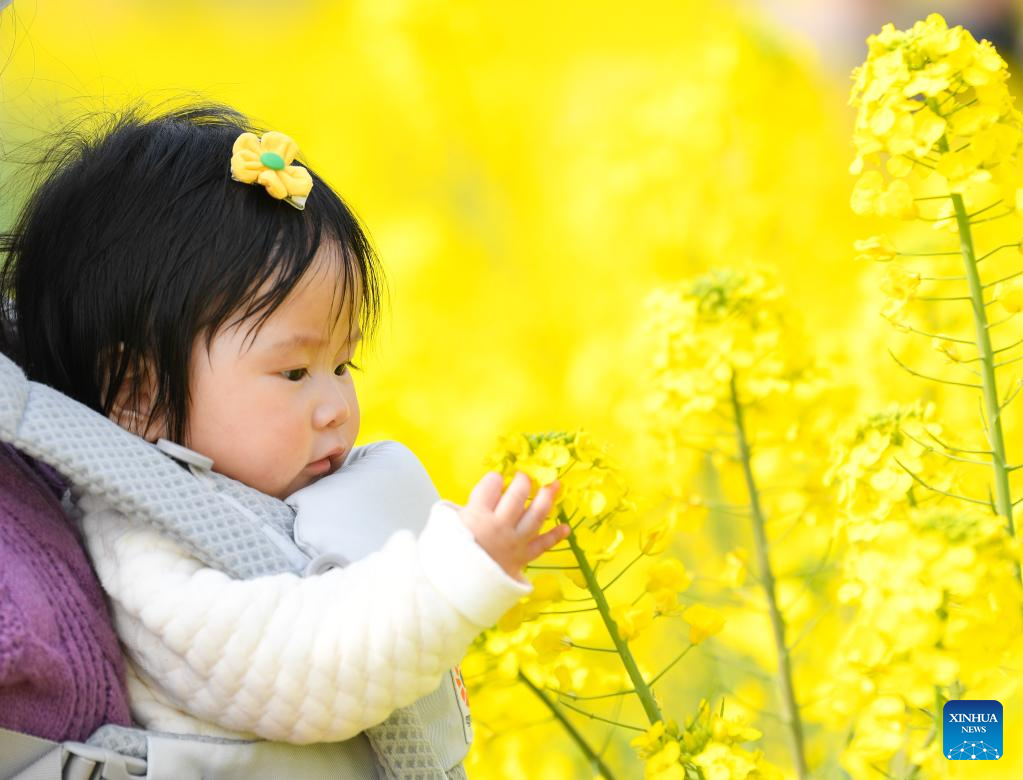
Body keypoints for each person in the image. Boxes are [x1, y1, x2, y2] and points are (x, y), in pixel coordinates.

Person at [0, 103, 569, 746]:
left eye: (343, 364)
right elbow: (304, 669)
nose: (337, 409)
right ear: (137, 394)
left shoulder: (272, 492)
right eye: (295, 374)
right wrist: (452, 579)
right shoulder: (144, 547)